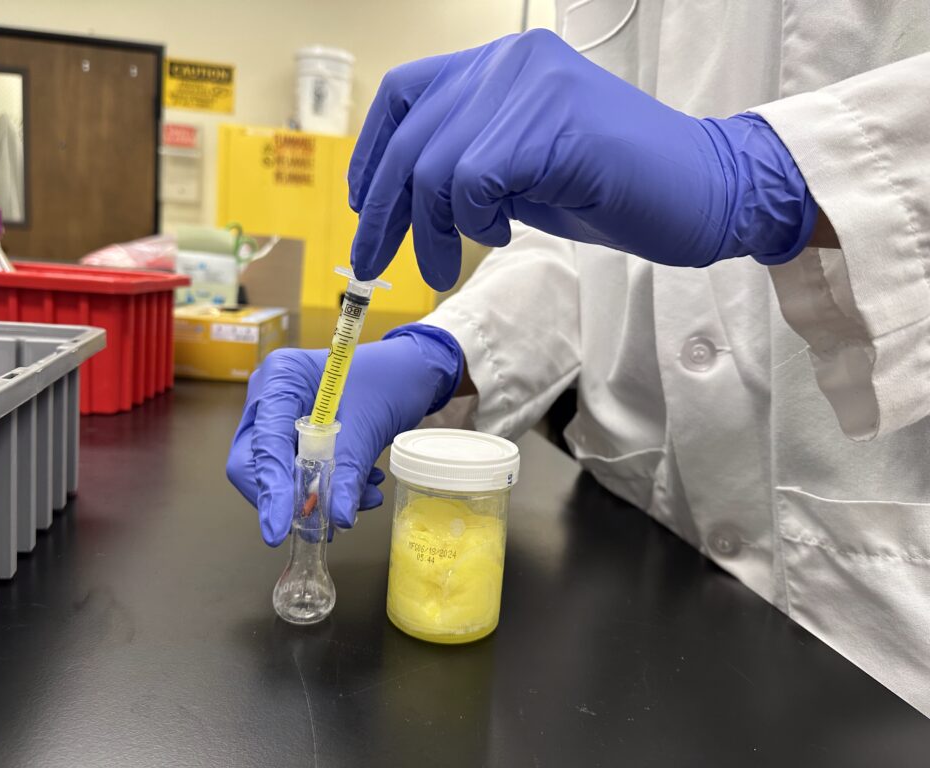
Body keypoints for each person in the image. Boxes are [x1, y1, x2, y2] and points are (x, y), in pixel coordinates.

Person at [228, 2, 930, 715]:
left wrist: (776, 175)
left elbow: (682, 181)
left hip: (878, 635)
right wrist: (444, 350)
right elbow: (582, 231)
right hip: (636, 574)